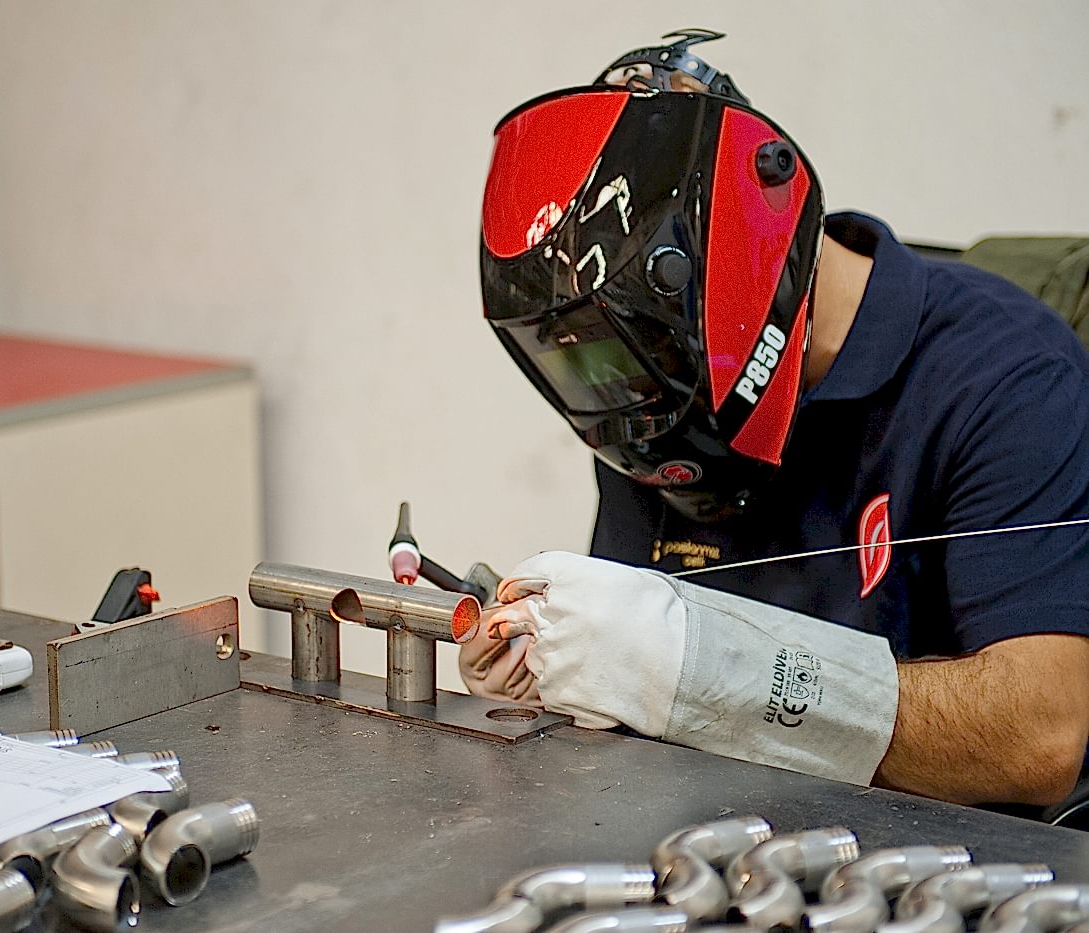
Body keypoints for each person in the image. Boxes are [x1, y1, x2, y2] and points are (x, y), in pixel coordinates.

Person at [460, 30, 1089, 810]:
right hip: (724, 829)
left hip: (939, 849)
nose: (618, 399)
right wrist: (557, 668)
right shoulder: (645, 398)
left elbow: (1037, 738)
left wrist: (702, 670)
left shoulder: (1005, 373)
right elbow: (638, 686)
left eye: (627, 358)